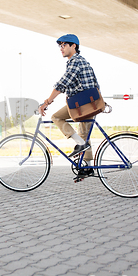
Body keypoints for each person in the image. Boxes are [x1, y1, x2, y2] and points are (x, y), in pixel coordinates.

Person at [38, 34, 100, 180]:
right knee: (84, 135)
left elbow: (62, 84)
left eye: (64, 45)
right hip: (89, 102)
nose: (61, 48)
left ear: (74, 46)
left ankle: (80, 145)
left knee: (56, 117)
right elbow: (95, 83)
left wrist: (46, 102)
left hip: (83, 103)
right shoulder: (82, 61)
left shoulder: (75, 62)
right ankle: (88, 167)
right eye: (60, 46)